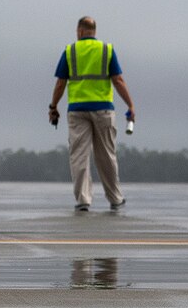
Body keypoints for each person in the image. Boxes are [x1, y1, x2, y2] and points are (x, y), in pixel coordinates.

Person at [48, 16, 136, 212]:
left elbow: (60, 83)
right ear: (94, 31)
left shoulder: (70, 51)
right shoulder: (107, 50)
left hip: (77, 111)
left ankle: (83, 200)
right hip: (103, 109)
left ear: (79, 31)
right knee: (106, 155)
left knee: (79, 156)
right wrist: (130, 105)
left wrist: (53, 107)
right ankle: (115, 198)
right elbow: (118, 81)